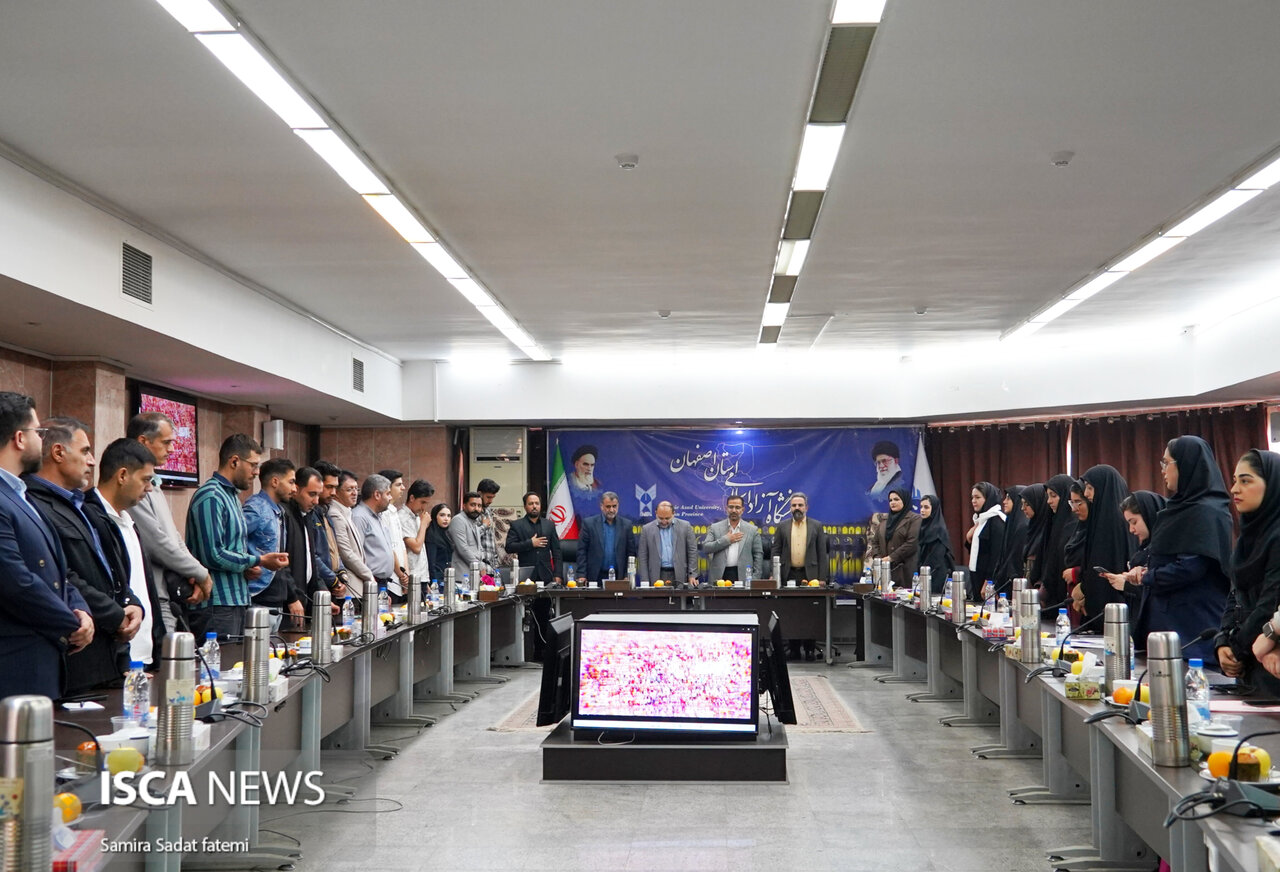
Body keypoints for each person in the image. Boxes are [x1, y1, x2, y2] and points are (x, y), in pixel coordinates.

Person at [25, 418, 141, 691]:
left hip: (108, 656)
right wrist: (115, 615)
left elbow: (113, 568)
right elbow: (63, 576)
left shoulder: (82, 505)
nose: (92, 461)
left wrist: (132, 603)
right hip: (78, 656)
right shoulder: (34, 505)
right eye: (85, 451)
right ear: (58, 452)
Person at [0, 391, 92, 700]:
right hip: (15, 665)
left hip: (42, 661)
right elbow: (15, 582)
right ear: (19, 438)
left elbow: (58, 572)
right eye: (37, 432)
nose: (41, 440)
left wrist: (81, 609)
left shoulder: (22, 494)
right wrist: (71, 622)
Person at [1112, 438, 1231, 662]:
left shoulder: (1207, 511)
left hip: (1193, 630)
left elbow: (1190, 568)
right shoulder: (1177, 509)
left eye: (1167, 463)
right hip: (1167, 627)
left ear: (1186, 465)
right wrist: (1147, 570)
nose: (1163, 470)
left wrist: (1147, 576)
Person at [186, 434, 288, 639]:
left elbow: (231, 550)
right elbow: (213, 555)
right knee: (219, 660)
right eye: (253, 465)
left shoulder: (231, 496)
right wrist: (258, 560)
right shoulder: (212, 496)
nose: (257, 472)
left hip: (237, 599)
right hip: (216, 603)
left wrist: (245, 568)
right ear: (234, 461)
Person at [126, 411, 211, 635]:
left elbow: (174, 537)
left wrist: (194, 572)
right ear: (143, 441)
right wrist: (200, 573)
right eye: (166, 442)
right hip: (152, 596)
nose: (172, 449)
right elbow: (157, 543)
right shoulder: (134, 489)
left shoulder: (154, 485)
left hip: (170, 594)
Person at [85, 439, 167, 667]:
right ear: (122, 475)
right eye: (146, 480)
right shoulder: (89, 517)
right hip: (115, 658)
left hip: (143, 656)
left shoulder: (128, 520)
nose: (149, 488)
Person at [1217, 450, 1280, 695]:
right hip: (1247, 661)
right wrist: (1222, 642)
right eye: (1235, 480)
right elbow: (1235, 594)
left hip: (1271, 660)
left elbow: (1270, 603)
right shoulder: (1248, 537)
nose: (1234, 489)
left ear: (1271, 485)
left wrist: (1236, 649)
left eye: (1245, 481)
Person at [244, 458, 303, 632]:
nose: (294, 489)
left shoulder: (278, 512)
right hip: (258, 597)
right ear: (275, 482)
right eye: (291, 482)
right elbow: (232, 539)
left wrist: (291, 595)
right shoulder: (256, 508)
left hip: (276, 600)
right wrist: (246, 565)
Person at [773, 492, 829, 659]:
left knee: (810, 612)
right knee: (791, 612)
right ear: (790, 508)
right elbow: (776, 551)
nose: (797, 508)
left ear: (806, 507)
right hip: (788, 574)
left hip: (810, 575)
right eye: (794, 505)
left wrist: (822, 578)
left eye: (800, 505)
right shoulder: (782, 526)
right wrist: (773, 575)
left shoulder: (816, 526)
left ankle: (810, 649)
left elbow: (822, 554)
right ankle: (794, 649)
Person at [1074, 464, 1133, 622]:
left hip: (1112, 608)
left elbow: (1106, 564)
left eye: (1090, 488)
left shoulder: (1113, 522)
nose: (1086, 493)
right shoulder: (1100, 518)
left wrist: (1086, 589)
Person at [1104, 491, 1167, 625]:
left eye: (1134, 522)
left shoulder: (1165, 549)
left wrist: (1127, 585)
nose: (1131, 530)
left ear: (1149, 515)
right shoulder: (1145, 548)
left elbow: (1162, 589)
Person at [326, 469, 372, 604]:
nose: (354, 493)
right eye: (349, 489)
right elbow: (345, 552)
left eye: (356, 489)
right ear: (336, 492)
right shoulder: (335, 514)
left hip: (358, 586)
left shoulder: (347, 512)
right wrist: (368, 575)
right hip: (349, 589)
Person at [352, 474, 400, 597]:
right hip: (369, 582)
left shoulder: (379, 516)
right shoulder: (359, 516)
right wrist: (369, 578)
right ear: (377, 495)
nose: (390, 498)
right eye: (388, 494)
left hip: (382, 583)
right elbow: (356, 554)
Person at [1040, 474, 1080, 613]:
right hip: (1053, 596)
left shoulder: (1075, 524)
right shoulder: (1055, 523)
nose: (1049, 501)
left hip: (1069, 596)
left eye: (1053, 496)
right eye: (1048, 496)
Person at [703, 494, 764, 584]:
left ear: (742, 510)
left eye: (737, 507)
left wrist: (755, 579)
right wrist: (726, 540)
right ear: (726, 508)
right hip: (719, 577)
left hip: (744, 577)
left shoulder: (752, 530)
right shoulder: (715, 527)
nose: (734, 510)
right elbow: (705, 548)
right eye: (731, 507)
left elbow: (758, 555)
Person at [576, 491, 636, 583]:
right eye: (608, 507)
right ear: (601, 506)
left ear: (618, 506)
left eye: (614, 506)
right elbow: (582, 551)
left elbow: (631, 553)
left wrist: (626, 575)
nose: (611, 510)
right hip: (595, 575)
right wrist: (581, 574)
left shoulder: (626, 525)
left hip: (619, 576)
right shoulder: (589, 524)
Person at [637, 500, 698, 586]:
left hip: (680, 574)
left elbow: (692, 552)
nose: (664, 521)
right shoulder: (647, 529)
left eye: (667, 518)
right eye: (661, 518)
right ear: (656, 513)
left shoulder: (685, 526)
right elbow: (643, 556)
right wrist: (644, 580)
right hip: (656, 575)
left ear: (673, 514)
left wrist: (692, 575)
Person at [868, 485, 919, 588]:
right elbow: (875, 542)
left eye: (896, 499)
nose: (892, 502)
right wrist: (879, 559)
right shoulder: (884, 520)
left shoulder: (914, 519)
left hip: (905, 571)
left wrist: (891, 558)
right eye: (890, 500)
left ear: (904, 500)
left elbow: (912, 543)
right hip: (885, 571)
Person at [505, 492, 563, 584]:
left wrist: (558, 574)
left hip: (546, 574)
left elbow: (557, 552)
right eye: (531, 504)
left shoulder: (549, 525)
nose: (534, 506)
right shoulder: (517, 525)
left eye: (537, 503)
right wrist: (530, 543)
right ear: (525, 506)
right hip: (526, 575)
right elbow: (509, 547)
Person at [965, 482, 1005, 600]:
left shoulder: (996, 520)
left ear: (988, 499)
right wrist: (969, 538)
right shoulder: (982, 519)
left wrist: (989, 581)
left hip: (987, 580)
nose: (973, 501)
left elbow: (996, 555)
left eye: (977, 497)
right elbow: (979, 549)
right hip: (977, 576)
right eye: (972, 497)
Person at [378, 468, 410, 596]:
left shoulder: (394, 511)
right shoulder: (383, 513)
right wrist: (401, 574)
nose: (403, 488)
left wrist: (406, 573)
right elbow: (389, 547)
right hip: (392, 578)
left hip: (402, 576)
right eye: (398, 485)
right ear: (387, 488)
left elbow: (401, 546)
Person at [449, 490, 494, 578]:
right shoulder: (458, 520)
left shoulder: (474, 522)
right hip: (462, 575)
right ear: (464, 505)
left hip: (474, 575)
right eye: (473, 505)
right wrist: (479, 566)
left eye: (479, 506)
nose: (476, 509)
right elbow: (463, 549)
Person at [399, 479, 436, 585]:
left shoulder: (417, 516)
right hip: (411, 577)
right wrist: (424, 524)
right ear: (412, 498)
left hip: (422, 576)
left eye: (427, 503)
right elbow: (416, 547)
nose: (424, 507)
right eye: (422, 502)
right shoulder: (402, 517)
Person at [916, 495, 954, 592]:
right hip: (926, 573)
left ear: (934, 509)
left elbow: (936, 556)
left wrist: (924, 573)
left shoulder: (939, 529)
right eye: (921, 507)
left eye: (926, 507)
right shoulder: (924, 526)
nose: (922, 510)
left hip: (937, 573)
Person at [997, 485, 1028, 587]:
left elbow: (1014, 560)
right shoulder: (1011, 522)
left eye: (1008, 498)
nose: (1004, 502)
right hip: (1006, 580)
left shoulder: (1023, 526)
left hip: (1015, 583)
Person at [1019, 484, 1050, 589]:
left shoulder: (1047, 532)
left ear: (1038, 503)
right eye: (1022, 504)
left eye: (1027, 504)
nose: (1023, 508)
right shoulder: (1032, 529)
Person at [475, 478, 504, 567]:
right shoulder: (472, 513)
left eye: (493, 497)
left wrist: (495, 562)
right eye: (488, 497)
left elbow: (491, 539)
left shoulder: (488, 511)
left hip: (491, 564)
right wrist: (484, 526)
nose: (491, 501)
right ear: (480, 494)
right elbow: (471, 537)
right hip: (479, 564)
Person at [425, 503, 454, 582]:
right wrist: (434, 582)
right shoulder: (431, 535)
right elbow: (431, 563)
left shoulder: (446, 534)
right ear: (435, 516)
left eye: (448, 516)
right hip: (436, 579)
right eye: (442, 515)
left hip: (446, 577)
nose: (446, 519)